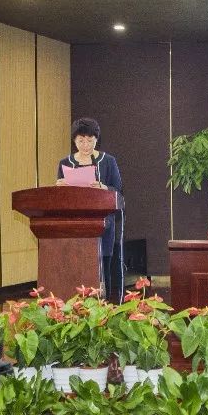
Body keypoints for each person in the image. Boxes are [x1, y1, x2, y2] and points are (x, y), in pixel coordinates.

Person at [56, 117, 124, 303]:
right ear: (74, 141)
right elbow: (60, 200)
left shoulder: (108, 161)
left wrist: (104, 187)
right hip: (74, 225)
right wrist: (60, 187)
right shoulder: (65, 162)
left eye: (89, 140)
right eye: (81, 141)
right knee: (75, 265)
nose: (85, 145)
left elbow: (118, 191)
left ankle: (105, 304)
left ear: (96, 139)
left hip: (103, 224)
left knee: (103, 267)